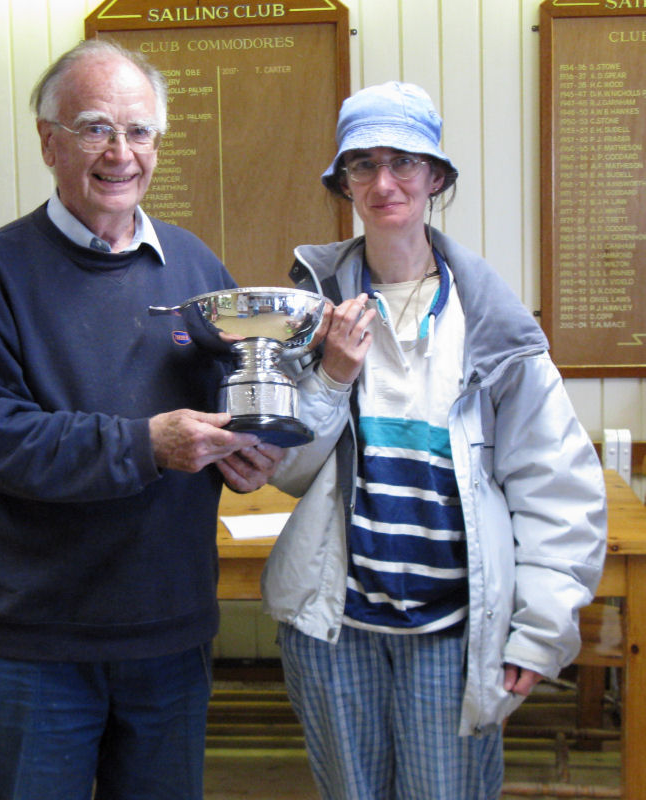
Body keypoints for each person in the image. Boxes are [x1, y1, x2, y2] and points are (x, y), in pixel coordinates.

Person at [0, 39, 283, 800]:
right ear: (49, 140)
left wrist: (244, 455)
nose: (120, 153)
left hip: (170, 635)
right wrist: (143, 445)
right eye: (95, 127)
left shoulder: (196, 267)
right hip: (39, 645)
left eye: (140, 131)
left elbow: (232, 400)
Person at [260, 81, 607, 800]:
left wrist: (540, 630)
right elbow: (284, 472)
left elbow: (557, 487)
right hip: (332, 625)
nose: (384, 182)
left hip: (452, 633)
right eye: (363, 164)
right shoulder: (306, 314)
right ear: (343, 182)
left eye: (404, 162)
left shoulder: (493, 328)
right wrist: (330, 375)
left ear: (435, 177)